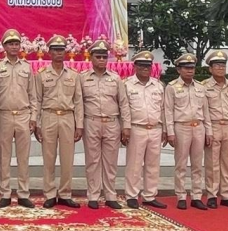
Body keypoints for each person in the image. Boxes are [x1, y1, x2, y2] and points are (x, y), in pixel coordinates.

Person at [33, 35, 83, 208]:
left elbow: (78, 101)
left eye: (61, 50)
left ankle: (65, 193)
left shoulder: (74, 75)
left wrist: (80, 124)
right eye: (55, 50)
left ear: (65, 52)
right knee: (49, 157)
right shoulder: (41, 75)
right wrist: (36, 122)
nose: (59, 53)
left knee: (67, 158)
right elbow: (37, 100)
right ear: (49, 52)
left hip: (68, 117)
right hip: (49, 116)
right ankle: (49, 193)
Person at [81, 40, 128, 210]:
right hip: (91, 121)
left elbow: (123, 103)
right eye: (98, 56)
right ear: (91, 57)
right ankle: (93, 195)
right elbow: (79, 103)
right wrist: (79, 125)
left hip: (111, 122)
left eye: (104, 56)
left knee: (110, 162)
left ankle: (110, 195)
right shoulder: (83, 78)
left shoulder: (115, 79)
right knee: (92, 161)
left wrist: (126, 126)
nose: (101, 59)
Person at [0, 28, 36, 208]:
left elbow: (33, 95)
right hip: (4, 115)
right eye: (10, 43)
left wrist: (33, 117)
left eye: (16, 43)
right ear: (4, 46)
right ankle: (5, 193)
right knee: (4, 157)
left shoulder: (26, 67)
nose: (13, 46)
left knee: (23, 157)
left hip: (23, 115)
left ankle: (23, 193)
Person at [122, 50, 167, 209]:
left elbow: (163, 109)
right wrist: (125, 128)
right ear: (135, 66)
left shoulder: (158, 85)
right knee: (134, 164)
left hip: (155, 128)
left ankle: (149, 195)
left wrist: (165, 129)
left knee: (153, 165)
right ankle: (132, 195)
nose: (144, 68)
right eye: (141, 65)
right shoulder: (127, 85)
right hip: (136, 128)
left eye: (147, 65)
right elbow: (125, 109)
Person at [164, 53, 210, 210]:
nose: (190, 71)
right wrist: (169, 131)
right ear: (179, 69)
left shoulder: (200, 87)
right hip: (181, 126)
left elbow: (206, 111)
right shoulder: (171, 87)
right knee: (181, 164)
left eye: (192, 68)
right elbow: (168, 111)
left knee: (198, 164)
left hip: (198, 126)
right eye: (186, 68)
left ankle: (197, 195)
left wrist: (208, 131)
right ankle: (181, 195)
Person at [201, 50, 228, 209]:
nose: (220, 68)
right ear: (210, 69)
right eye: (217, 65)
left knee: (227, 163)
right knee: (212, 163)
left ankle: (226, 194)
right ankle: (212, 194)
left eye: (223, 65)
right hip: (214, 126)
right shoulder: (204, 87)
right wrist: (208, 130)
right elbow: (204, 111)